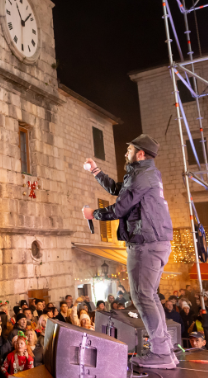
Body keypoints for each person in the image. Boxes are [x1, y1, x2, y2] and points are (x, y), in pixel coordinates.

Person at [84, 134, 175, 370]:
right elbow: (119, 190)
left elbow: (120, 208)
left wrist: (93, 214)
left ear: (140, 153)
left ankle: (161, 353)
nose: (126, 153)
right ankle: (165, 350)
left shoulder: (142, 175)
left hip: (145, 241)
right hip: (154, 241)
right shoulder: (144, 173)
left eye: (130, 149)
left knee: (143, 297)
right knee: (149, 296)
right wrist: (96, 172)